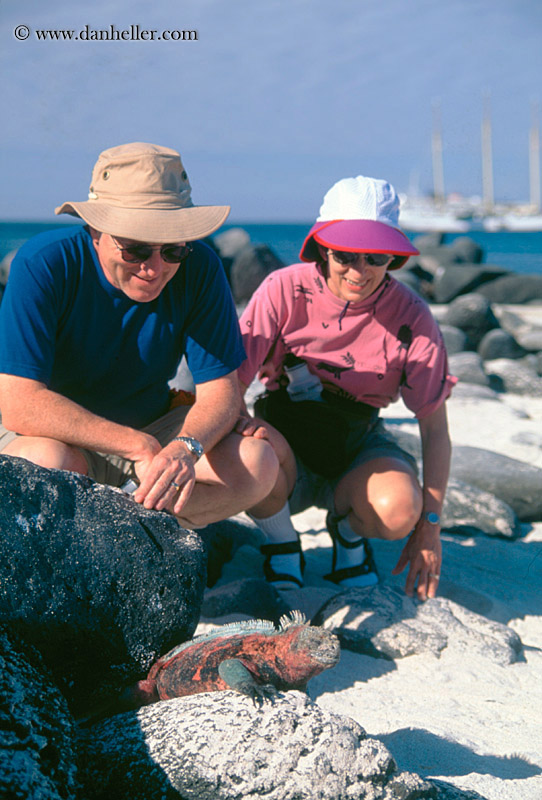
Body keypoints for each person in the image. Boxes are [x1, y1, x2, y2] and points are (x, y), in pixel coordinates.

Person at [0, 142, 278, 528]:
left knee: (257, 464)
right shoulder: (44, 263)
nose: (154, 267)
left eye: (172, 251)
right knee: (46, 463)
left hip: (153, 425)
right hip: (58, 435)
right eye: (135, 249)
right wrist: (136, 446)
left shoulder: (200, 268)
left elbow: (220, 391)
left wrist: (185, 448)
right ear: (95, 230)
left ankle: (136, 530)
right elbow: (19, 404)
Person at [236, 175, 456, 600]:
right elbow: (230, 380)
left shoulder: (413, 316)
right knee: (241, 455)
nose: (360, 271)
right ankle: (281, 540)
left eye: (376, 257)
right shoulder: (283, 289)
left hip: (357, 444)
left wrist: (430, 527)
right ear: (322, 246)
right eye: (345, 255)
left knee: (399, 509)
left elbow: (435, 430)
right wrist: (242, 428)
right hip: (285, 441)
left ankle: (347, 533)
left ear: (393, 257)